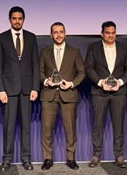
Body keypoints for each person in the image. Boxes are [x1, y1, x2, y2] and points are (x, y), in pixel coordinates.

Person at [0, 6, 39, 171]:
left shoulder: (31, 37)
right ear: (10, 20)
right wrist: (1, 90)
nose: (17, 21)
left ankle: (26, 159)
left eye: (20, 18)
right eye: (14, 18)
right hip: (9, 90)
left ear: (23, 20)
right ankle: (7, 159)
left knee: (26, 127)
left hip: (27, 89)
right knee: (9, 127)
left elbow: (35, 65)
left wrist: (35, 88)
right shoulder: (1, 38)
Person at [85, 21, 127, 169]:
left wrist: (120, 82)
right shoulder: (93, 48)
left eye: (113, 33)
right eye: (107, 33)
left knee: (118, 126)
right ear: (102, 34)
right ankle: (96, 156)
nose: (110, 35)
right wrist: (101, 82)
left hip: (119, 93)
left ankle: (119, 156)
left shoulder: (124, 48)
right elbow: (89, 68)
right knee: (97, 125)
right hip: (99, 93)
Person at [39, 22, 85, 170]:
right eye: (55, 32)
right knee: (47, 129)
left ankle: (71, 159)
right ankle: (48, 158)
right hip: (49, 95)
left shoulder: (74, 52)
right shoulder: (44, 52)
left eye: (61, 32)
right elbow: (40, 72)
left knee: (70, 129)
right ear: (51, 34)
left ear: (65, 33)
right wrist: (47, 81)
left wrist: (71, 83)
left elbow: (81, 73)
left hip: (68, 95)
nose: (58, 35)